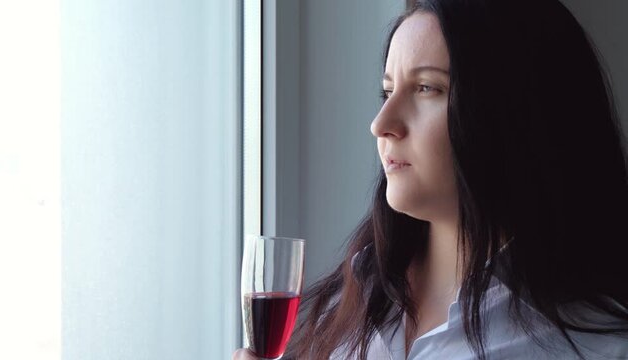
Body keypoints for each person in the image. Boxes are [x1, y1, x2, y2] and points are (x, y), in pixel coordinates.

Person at [234, 0, 628, 358]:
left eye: (426, 88)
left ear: (516, 116)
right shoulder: (348, 305)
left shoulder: (598, 346)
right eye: (387, 91)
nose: (381, 124)